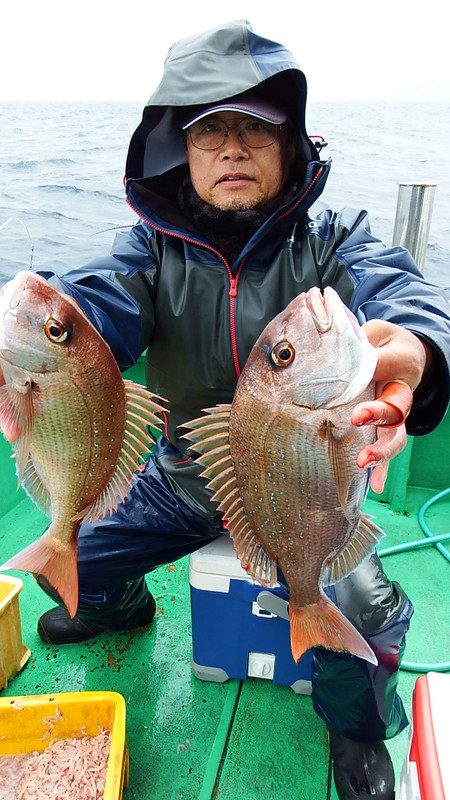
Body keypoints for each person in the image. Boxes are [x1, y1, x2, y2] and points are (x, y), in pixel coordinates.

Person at [1, 20, 450, 800]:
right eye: (211, 132)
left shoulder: (335, 245)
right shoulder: (149, 250)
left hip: (302, 493)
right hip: (183, 478)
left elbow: (403, 294)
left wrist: (416, 348)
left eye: (256, 130)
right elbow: (93, 302)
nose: (233, 148)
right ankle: (125, 604)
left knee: (365, 613)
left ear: (292, 148)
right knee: (64, 562)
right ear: (183, 152)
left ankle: (355, 729)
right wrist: (35, 349)